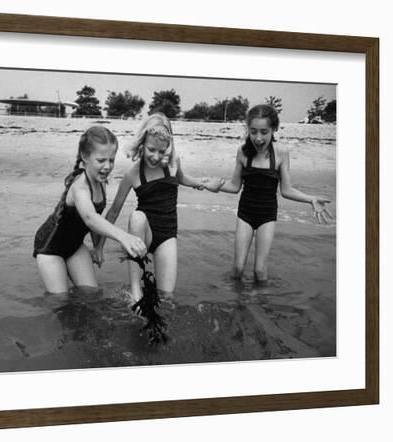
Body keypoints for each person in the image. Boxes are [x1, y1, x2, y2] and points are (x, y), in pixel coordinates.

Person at [93, 113, 223, 303]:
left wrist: (204, 184)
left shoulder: (172, 164)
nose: (155, 156)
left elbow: (183, 179)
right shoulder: (133, 173)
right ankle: (136, 293)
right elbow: (114, 211)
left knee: (166, 297)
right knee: (137, 217)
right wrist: (99, 246)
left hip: (166, 235)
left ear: (168, 148)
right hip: (143, 233)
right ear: (142, 144)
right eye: (151, 149)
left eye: (161, 151)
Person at [216, 104, 333, 283]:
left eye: (264, 132)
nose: (258, 138)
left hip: (267, 215)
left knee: (259, 271)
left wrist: (311, 199)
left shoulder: (281, 153)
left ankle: (260, 307)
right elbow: (234, 186)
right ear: (248, 130)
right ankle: (237, 305)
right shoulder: (243, 152)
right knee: (238, 268)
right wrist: (212, 184)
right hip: (245, 214)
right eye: (253, 131)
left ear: (274, 129)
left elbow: (286, 190)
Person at [33, 126, 147, 294]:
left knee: (92, 294)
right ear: (85, 157)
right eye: (101, 160)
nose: (107, 166)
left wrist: (97, 247)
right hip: (50, 248)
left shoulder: (100, 182)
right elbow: (90, 218)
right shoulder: (80, 188)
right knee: (61, 301)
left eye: (111, 160)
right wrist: (124, 237)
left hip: (74, 246)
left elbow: (96, 222)